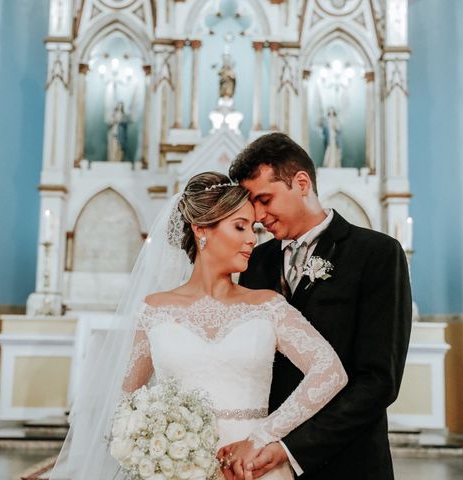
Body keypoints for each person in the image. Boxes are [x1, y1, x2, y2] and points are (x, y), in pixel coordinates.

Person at [50, 171, 347, 480]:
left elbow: (330, 371)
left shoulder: (269, 305)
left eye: (254, 229)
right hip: (175, 470)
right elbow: (126, 404)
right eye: (240, 226)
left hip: (252, 468)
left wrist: (260, 437)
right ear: (201, 229)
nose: (252, 239)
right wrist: (156, 449)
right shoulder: (154, 310)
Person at [228, 133, 412, 480]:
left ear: (300, 183)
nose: (257, 216)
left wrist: (289, 448)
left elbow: (378, 380)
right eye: (252, 204)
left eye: (265, 199)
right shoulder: (254, 262)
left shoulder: (376, 254)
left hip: (348, 462)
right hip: (261, 464)